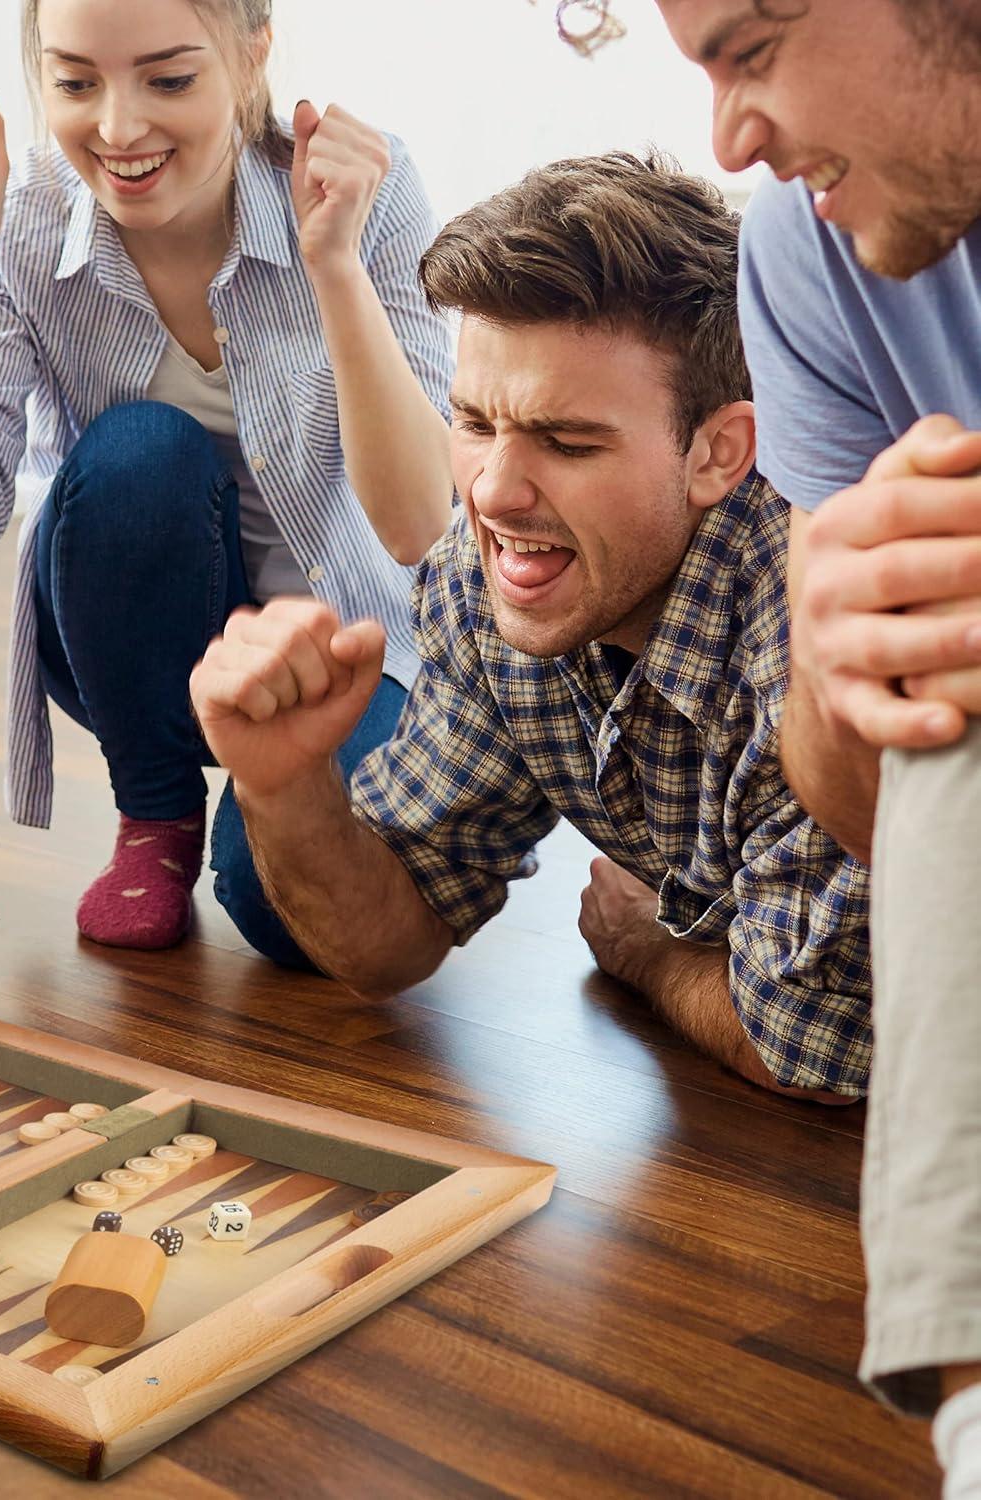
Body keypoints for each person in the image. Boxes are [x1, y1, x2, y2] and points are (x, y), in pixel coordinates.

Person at [190, 152, 872, 1101]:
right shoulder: (486, 582)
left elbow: (820, 1051)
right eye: (474, 423)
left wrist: (648, 954)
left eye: (567, 441)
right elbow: (391, 942)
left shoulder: (811, 640)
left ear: (719, 453)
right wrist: (284, 783)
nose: (494, 492)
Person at [0, 0, 454, 956]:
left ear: (252, 57)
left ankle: (254, 808)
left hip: (341, 635)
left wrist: (334, 265)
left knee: (291, 916)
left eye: (168, 79)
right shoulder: (28, 225)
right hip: (134, 635)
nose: (119, 128)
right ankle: (157, 815)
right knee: (140, 451)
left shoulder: (368, 190)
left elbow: (425, 525)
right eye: (75, 82)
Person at [654, 1, 981, 1488]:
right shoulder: (808, 250)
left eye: (756, 45)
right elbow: (865, 813)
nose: (729, 134)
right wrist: (849, 664)